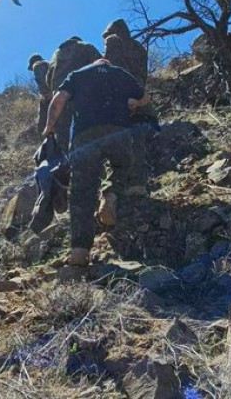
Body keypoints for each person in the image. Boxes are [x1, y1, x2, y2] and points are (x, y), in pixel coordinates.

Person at [43, 58, 150, 267]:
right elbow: (145, 97)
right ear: (107, 63)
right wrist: (134, 103)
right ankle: (110, 193)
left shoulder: (78, 74)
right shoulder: (119, 72)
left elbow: (58, 99)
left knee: (82, 190)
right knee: (122, 168)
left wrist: (48, 126)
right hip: (118, 131)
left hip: (85, 135)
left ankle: (79, 250)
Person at [102, 19, 153, 195]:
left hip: (122, 100)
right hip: (140, 99)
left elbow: (114, 70)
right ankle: (138, 185)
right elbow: (142, 77)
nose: (105, 39)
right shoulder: (139, 47)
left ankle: (116, 190)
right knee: (138, 142)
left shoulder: (113, 41)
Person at [45, 37, 102, 152]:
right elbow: (102, 64)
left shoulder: (56, 55)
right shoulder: (85, 46)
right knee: (88, 133)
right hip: (83, 96)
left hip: (60, 97)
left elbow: (48, 79)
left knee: (63, 136)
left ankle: (68, 164)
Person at [28, 53, 51, 132]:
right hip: (59, 93)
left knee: (42, 125)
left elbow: (41, 78)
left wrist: (46, 93)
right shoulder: (50, 64)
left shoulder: (37, 65)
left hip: (49, 96)